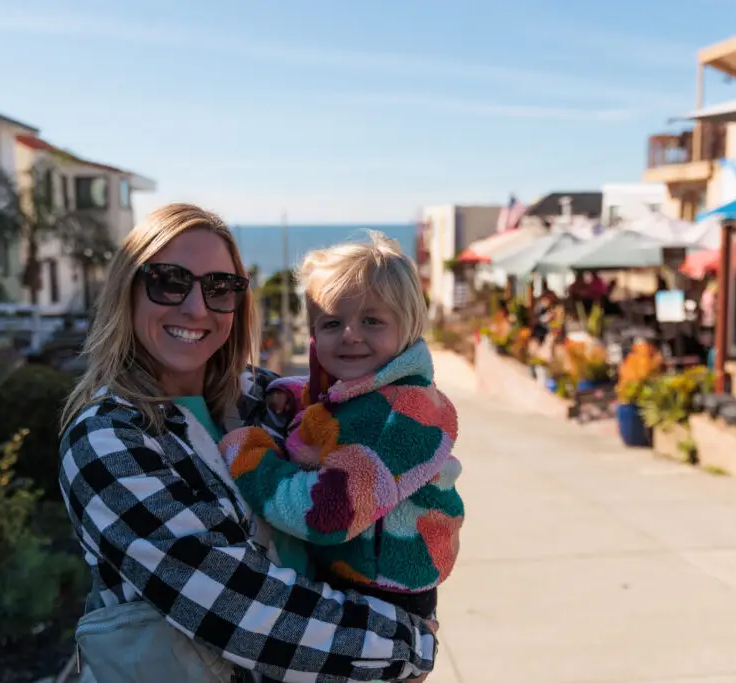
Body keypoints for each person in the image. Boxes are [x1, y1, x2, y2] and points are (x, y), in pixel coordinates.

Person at [58, 204, 437, 683]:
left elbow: (380, 419)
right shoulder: (106, 439)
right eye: (169, 281)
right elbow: (237, 606)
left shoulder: (265, 399)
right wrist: (407, 645)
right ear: (127, 290)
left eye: (220, 288)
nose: (196, 307)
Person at [219, 233, 463, 624]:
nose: (351, 334)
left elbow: (327, 512)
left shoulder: (402, 413)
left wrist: (248, 455)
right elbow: (345, 414)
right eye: (332, 322)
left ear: (409, 325)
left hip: (384, 595)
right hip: (362, 577)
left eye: (372, 320)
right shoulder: (375, 389)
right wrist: (298, 395)